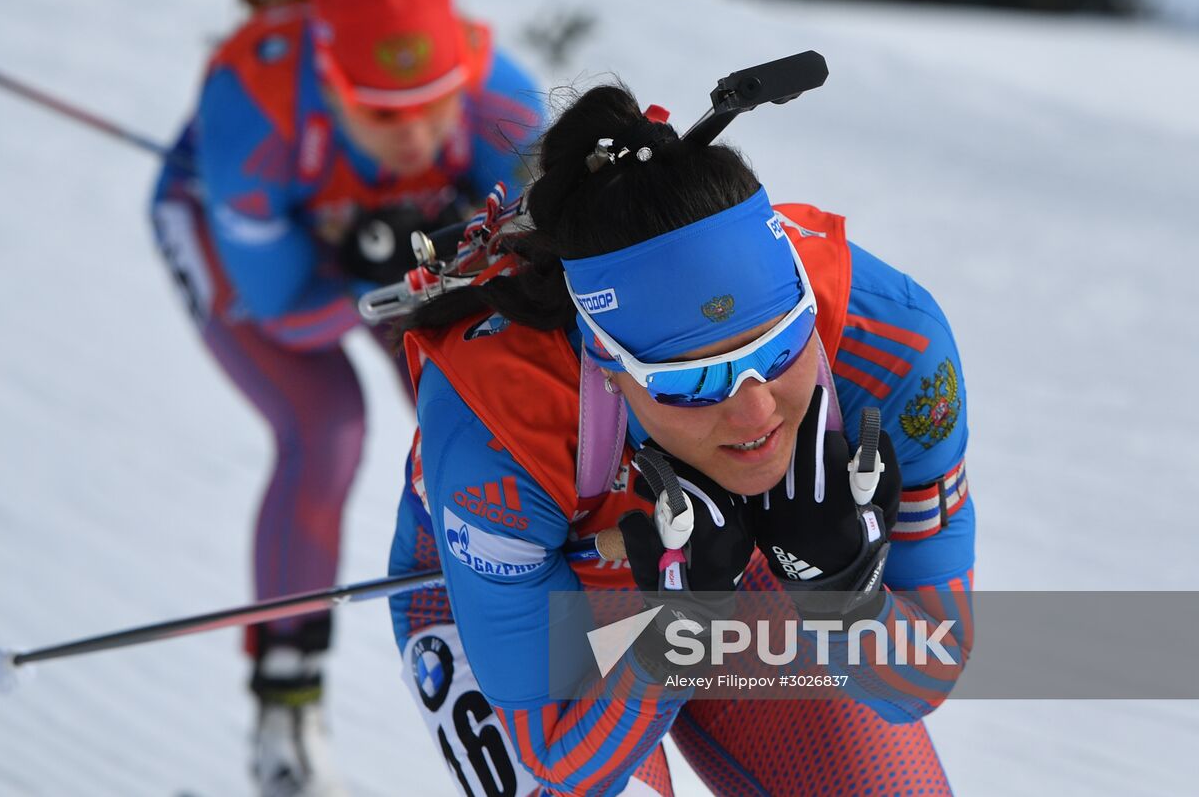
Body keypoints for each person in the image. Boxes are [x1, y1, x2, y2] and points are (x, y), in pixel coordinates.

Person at [387, 84, 974, 795]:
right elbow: (561, 760)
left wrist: (848, 596)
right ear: (606, 363)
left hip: (745, 560)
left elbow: (927, 673)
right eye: (694, 382)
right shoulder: (501, 434)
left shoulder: (890, 346)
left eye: (781, 348)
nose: (754, 411)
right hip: (548, 587)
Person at [149, 0, 543, 795]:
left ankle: (524, 653)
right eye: (382, 113)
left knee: (485, 409)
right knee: (325, 425)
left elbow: (544, 251)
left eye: (436, 104)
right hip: (263, 251)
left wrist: (424, 256)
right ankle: (286, 710)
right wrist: (388, 262)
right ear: (328, 84)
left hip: (395, 246)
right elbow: (290, 315)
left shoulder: (500, 93)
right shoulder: (250, 113)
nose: (414, 136)